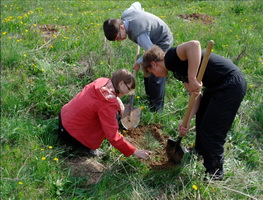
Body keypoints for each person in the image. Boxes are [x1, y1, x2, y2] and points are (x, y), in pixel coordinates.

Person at [142, 40, 247, 180]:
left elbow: (194, 45)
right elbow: (195, 96)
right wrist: (186, 121)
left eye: (152, 72)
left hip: (230, 84)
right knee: (202, 118)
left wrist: (192, 78)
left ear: (154, 63)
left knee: (211, 130)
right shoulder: (176, 71)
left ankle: (215, 174)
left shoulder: (170, 58)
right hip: (216, 87)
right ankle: (199, 151)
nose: (156, 76)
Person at [58, 68, 152, 160]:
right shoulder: (108, 104)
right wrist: (134, 151)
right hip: (71, 134)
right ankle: (88, 147)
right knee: (116, 116)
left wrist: (117, 99)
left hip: (63, 119)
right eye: (128, 88)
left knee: (113, 113)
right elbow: (113, 136)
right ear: (121, 83)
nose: (128, 92)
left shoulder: (102, 81)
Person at [103, 2, 173, 112]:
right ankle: (150, 95)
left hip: (162, 41)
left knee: (155, 71)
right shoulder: (126, 14)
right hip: (151, 41)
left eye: (118, 37)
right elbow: (137, 3)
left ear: (121, 27)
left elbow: (153, 53)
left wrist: (139, 62)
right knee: (147, 69)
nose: (119, 40)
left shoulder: (139, 34)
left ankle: (157, 108)